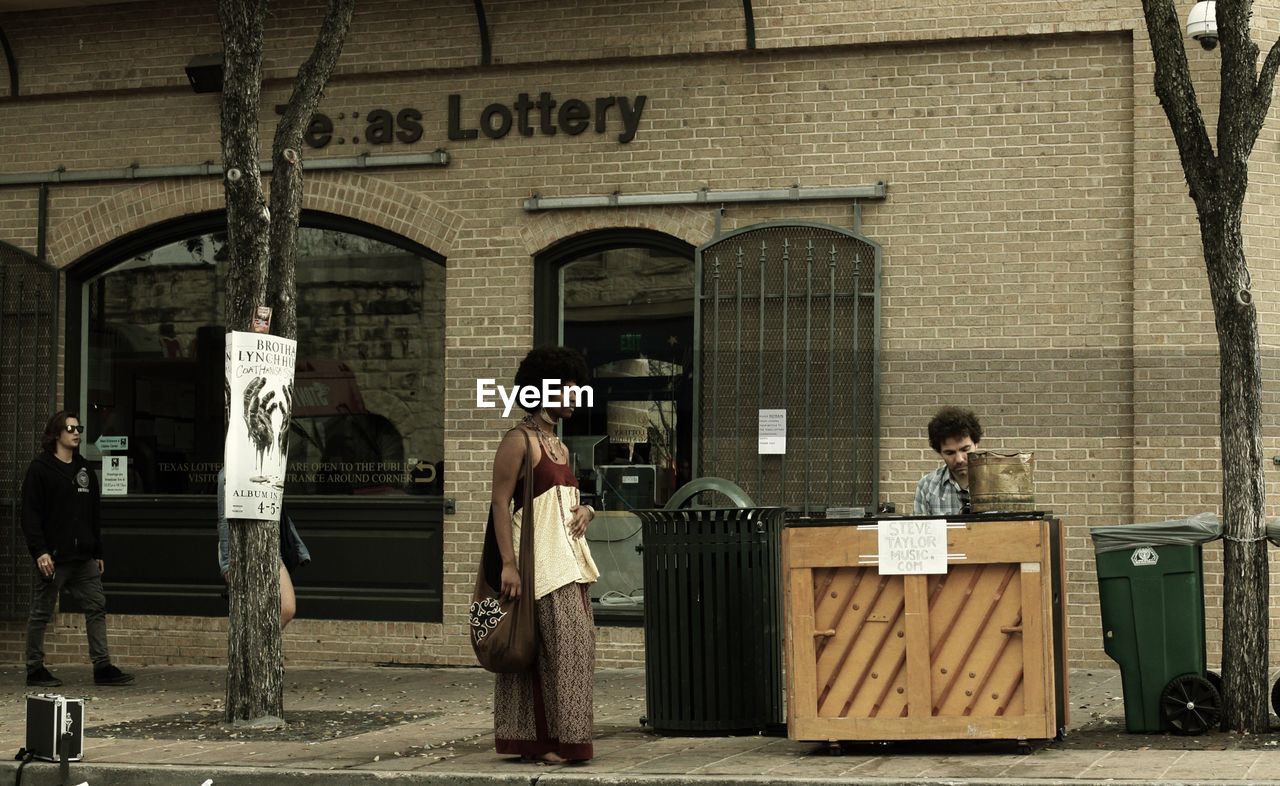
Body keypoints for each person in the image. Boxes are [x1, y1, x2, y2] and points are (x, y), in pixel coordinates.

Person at [490, 347, 599, 763]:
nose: (575, 395)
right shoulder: (517, 441)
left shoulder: (559, 446)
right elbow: (500, 504)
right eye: (568, 388)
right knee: (544, 653)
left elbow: (564, 501)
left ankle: (560, 739)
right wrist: (510, 565)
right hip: (537, 568)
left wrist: (588, 510)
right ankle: (547, 742)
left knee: (573, 652)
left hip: (568, 564)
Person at [21, 411, 134, 687]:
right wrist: (40, 552)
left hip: (83, 556)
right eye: (70, 428)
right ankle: (34, 668)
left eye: (78, 428)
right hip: (54, 557)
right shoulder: (40, 469)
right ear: (56, 434)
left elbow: (93, 513)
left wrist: (98, 551)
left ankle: (102, 666)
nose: (76, 433)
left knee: (96, 606)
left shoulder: (84, 469)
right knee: (42, 611)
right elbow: (30, 515)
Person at [216, 467, 310, 627]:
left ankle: (262, 649)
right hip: (244, 551)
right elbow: (224, 520)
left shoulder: (270, 465)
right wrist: (227, 563)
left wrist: (300, 549)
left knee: (285, 608)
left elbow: (280, 513)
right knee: (262, 611)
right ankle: (257, 649)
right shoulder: (230, 471)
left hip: (272, 548)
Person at [913, 406, 983, 516]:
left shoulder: (999, 482)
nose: (959, 459)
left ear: (976, 444)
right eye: (950, 453)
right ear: (940, 452)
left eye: (965, 449)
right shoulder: (927, 486)